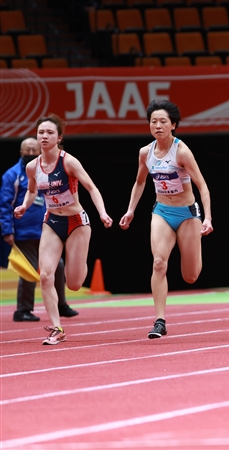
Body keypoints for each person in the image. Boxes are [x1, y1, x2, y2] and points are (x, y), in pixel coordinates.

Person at [14, 115, 112, 345]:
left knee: (74, 283)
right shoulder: (32, 167)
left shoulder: (68, 162)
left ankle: (79, 261)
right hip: (52, 222)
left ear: (59, 137)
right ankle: (57, 328)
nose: (44, 136)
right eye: (41, 133)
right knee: (46, 275)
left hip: (77, 222)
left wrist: (102, 213)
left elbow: (91, 187)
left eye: (49, 133)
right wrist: (24, 206)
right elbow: (31, 191)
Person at [119, 100, 213, 339]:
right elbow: (140, 182)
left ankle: (194, 250)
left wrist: (208, 218)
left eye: (163, 122)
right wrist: (130, 210)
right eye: (153, 121)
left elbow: (202, 185)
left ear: (173, 125)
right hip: (161, 211)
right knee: (159, 263)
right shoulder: (145, 153)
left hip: (187, 214)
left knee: (190, 276)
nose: (158, 126)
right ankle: (159, 320)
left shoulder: (181, 151)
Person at [2, 138, 78, 322]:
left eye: (34, 149)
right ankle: (23, 310)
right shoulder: (13, 175)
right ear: (21, 152)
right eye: (27, 149)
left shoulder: (46, 170)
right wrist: (7, 230)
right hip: (24, 232)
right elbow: (4, 205)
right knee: (30, 269)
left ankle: (60, 304)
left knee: (58, 266)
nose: (31, 152)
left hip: (47, 228)